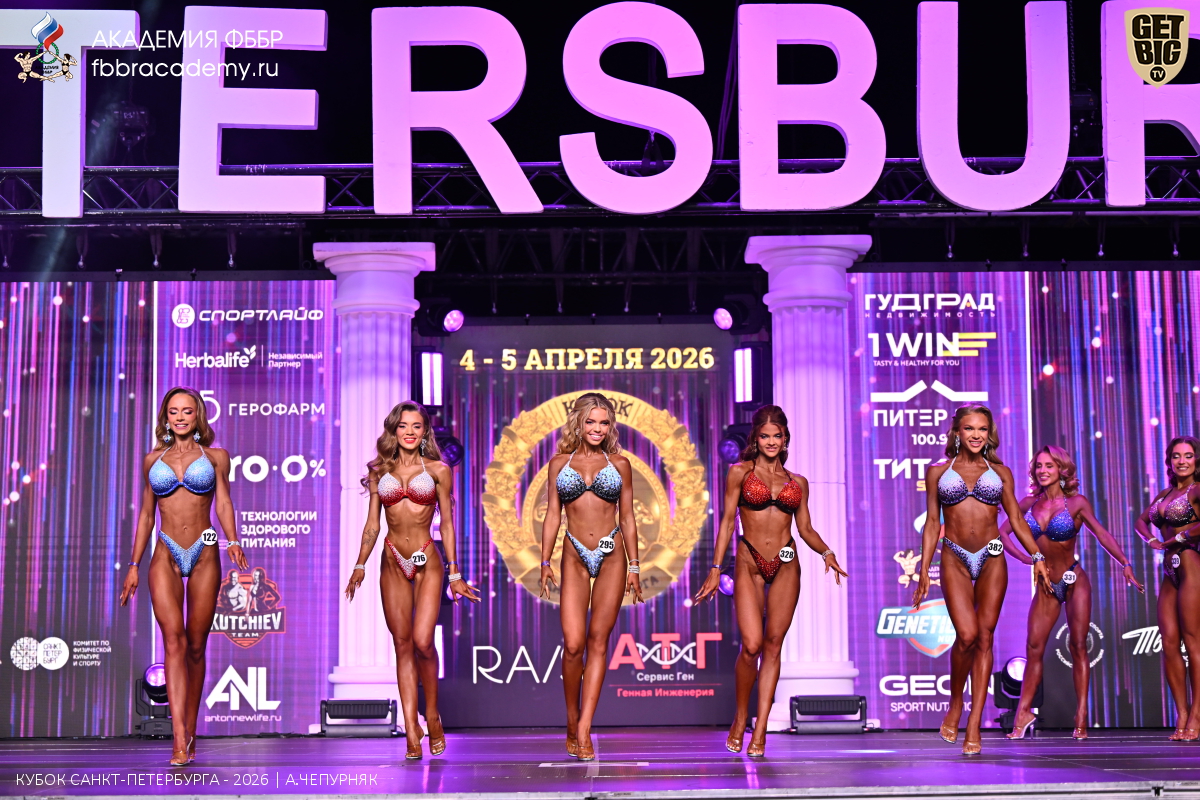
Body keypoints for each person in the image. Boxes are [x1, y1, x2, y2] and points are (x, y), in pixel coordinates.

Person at [694, 404, 847, 758]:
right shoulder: (739, 472)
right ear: (756, 438)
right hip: (749, 561)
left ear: (785, 437)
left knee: (773, 646)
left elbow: (805, 528)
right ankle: (740, 717)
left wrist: (826, 552)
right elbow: (727, 523)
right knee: (751, 646)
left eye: (777, 435)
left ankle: (760, 729)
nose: (771, 441)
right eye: (765, 436)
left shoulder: (798, 482)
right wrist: (716, 568)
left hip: (786, 563)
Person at [912, 404, 1051, 756]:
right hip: (954, 557)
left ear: (989, 434)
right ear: (957, 432)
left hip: (991, 557)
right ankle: (955, 703)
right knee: (967, 636)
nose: (976, 435)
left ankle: (974, 722)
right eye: (969, 428)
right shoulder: (938, 472)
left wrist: (1037, 556)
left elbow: (1016, 519)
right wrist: (923, 568)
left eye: (982, 429)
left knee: (985, 638)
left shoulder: (1000, 472)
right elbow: (932, 522)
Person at [345, 401, 480, 760]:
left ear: (425, 432)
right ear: (394, 430)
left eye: (416, 426)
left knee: (422, 642)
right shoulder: (379, 470)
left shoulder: (438, 469)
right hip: (392, 560)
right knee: (402, 644)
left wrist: (455, 573)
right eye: (403, 426)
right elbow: (373, 524)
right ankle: (411, 726)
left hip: (427, 561)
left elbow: (447, 523)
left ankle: (432, 714)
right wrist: (359, 564)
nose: (409, 432)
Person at [120, 387, 246, 766]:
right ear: (166, 417)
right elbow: (146, 515)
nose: (179, 417)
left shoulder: (216, 457)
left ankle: (190, 731)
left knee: (194, 646)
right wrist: (133, 565)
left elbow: (223, 501)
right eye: (173, 411)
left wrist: (233, 540)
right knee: (172, 641)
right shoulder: (152, 460)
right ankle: (178, 739)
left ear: (197, 416)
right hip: (165, 551)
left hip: (205, 549)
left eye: (187, 411)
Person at [998, 445, 1143, 740]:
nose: (1043, 470)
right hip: (1046, 585)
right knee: (1033, 647)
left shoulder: (1076, 503)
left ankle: (1081, 715)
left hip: (1074, 580)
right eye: (1039, 466)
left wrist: (1125, 563)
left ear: (1061, 469)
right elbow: (1002, 532)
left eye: (1049, 465)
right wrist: (1026, 558)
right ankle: (1023, 713)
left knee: (1078, 645)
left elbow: (1101, 533)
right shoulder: (1028, 503)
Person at [539, 392, 643, 762]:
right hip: (573, 555)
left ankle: (584, 728)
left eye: (604, 422)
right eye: (591, 421)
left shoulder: (620, 464)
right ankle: (571, 718)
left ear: (610, 426)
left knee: (598, 642)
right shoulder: (558, 463)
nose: (597, 428)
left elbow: (627, 516)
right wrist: (544, 561)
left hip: (613, 555)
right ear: (579, 423)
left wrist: (634, 566)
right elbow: (553, 514)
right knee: (573, 645)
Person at [1134, 435, 1200, 740]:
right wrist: (1151, 539)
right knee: (1170, 643)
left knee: (1193, 642)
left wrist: (1180, 538)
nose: (1182, 461)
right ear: (1169, 461)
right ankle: (1182, 713)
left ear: (1196, 460)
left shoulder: (1196, 490)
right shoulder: (1165, 494)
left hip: (1191, 565)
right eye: (1176, 456)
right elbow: (1141, 521)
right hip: (1169, 571)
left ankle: (1197, 715)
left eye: (1188, 455)